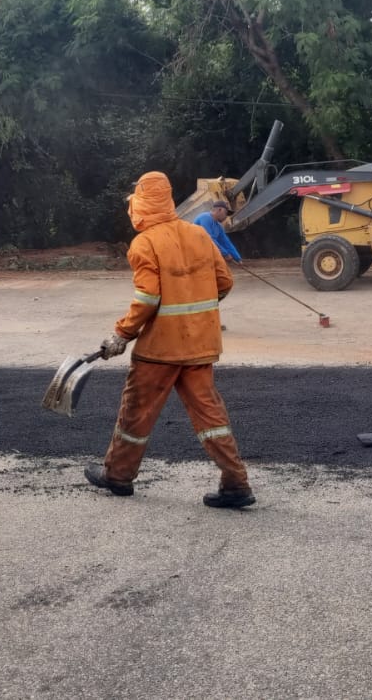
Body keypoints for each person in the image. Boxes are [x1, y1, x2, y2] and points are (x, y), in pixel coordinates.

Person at [84, 172, 254, 508]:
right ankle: (236, 483)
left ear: (142, 205)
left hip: (160, 351)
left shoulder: (144, 243)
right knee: (210, 415)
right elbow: (224, 282)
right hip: (199, 346)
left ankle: (118, 475)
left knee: (137, 411)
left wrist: (122, 334)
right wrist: (196, 312)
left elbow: (148, 298)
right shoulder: (198, 234)